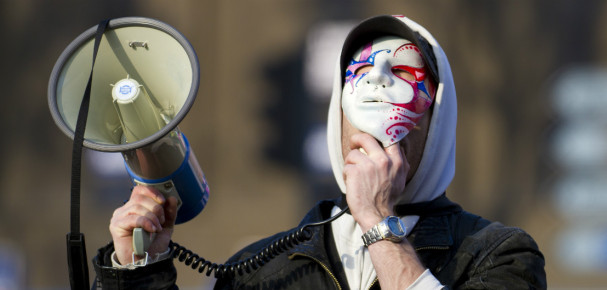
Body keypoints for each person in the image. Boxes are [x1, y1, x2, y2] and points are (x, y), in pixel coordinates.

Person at [93, 14, 546, 289]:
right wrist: (138, 272)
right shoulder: (260, 272)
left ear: (438, 120)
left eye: (405, 73)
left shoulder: (498, 256)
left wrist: (378, 223)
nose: (380, 77)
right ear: (338, 116)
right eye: (361, 71)